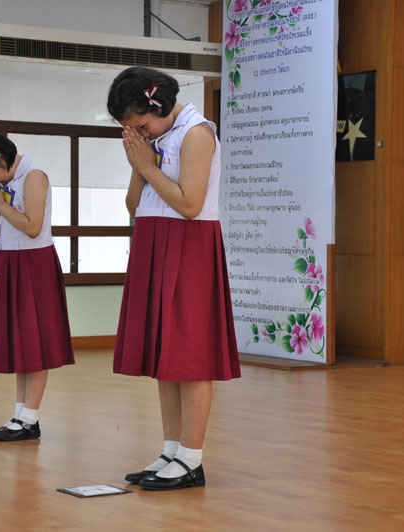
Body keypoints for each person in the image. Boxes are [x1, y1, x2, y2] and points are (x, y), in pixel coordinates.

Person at [107, 67, 241, 491]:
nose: (137, 133)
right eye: (131, 129)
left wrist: (147, 166)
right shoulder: (156, 140)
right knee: (166, 356)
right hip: (153, 242)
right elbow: (134, 205)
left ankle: (192, 460)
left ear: (160, 106)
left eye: (141, 125)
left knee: (191, 356)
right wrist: (139, 164)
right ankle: (171, 451)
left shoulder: (197, 133)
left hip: (189, 244)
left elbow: (189, 204)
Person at [0, 129, 74, 442]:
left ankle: (30, 418)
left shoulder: (33, 176)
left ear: (2, 157)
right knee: (20, 341)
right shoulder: (6, 184)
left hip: (35, 263)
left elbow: (33, 227)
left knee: (35, 340)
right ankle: (19, 415)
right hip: (10, 261)